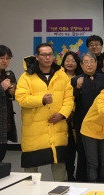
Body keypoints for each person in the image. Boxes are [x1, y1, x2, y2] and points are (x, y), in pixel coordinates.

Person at [15, 43, 74, 181]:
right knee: (31, 166)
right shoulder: (26, 76)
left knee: (59, 163)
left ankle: (61, 190)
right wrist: (41, 99)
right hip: (34, 129)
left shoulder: (61, 75)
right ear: (37, 57)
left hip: (57, 126)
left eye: (50, 54)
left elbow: (69, 98)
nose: (48, 58)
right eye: (44, 55)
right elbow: (21, 98)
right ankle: (29, 192)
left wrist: (62, 114)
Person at [71, 53, 104, 182]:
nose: (89, 64)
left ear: (96, 63)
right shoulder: (75, 80)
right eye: (86, 62)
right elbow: (70, 99)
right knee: (83, 154)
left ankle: (101, 180)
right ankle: (82, 180)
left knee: (102, 155)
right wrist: (77, 88)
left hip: (101, 122)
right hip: (82, 122)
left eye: (92, 61)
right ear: (81, 65)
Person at [60, 51, 82, 180]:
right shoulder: (58, 76)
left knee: (77, 147)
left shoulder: (81, 77)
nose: (70, 63)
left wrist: (72, 111)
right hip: (63, 117)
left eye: (73, 60)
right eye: (67, 60)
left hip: (77, 117)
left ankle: (78, 175)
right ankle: (68, 175)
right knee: (67, 149)